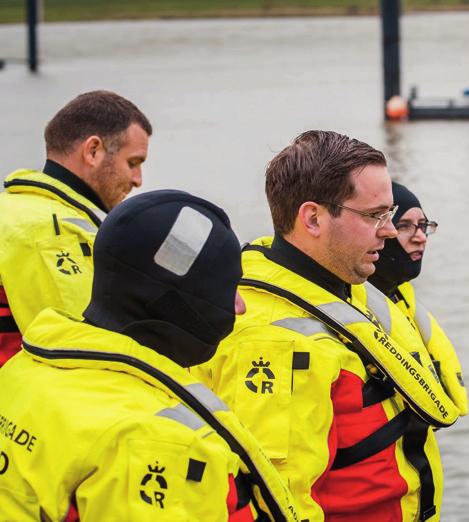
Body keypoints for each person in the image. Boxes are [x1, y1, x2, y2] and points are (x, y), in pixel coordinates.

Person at [193, 130, 459, 522]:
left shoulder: (335, 286)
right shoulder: (276, 344)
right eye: (375, 215)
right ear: (313, 218)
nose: (389, 230)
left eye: (388, 214)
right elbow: (281, 501)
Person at [0, 190, 298, 521]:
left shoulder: (23, 371)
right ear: (176, 302)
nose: (240, 307)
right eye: (229, 289)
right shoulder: (156, 437)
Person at [0, 90, 151, 366]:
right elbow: (84, 350)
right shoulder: (48, 232)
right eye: (133, 163)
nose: (137, 179)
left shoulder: (17, 210)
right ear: (93, 151)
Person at [366, 181, 469, 418]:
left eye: (423, 226)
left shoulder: (399, 296)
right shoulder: (352, 307)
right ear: (381, 230)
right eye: (404, 226)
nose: (420, 237)